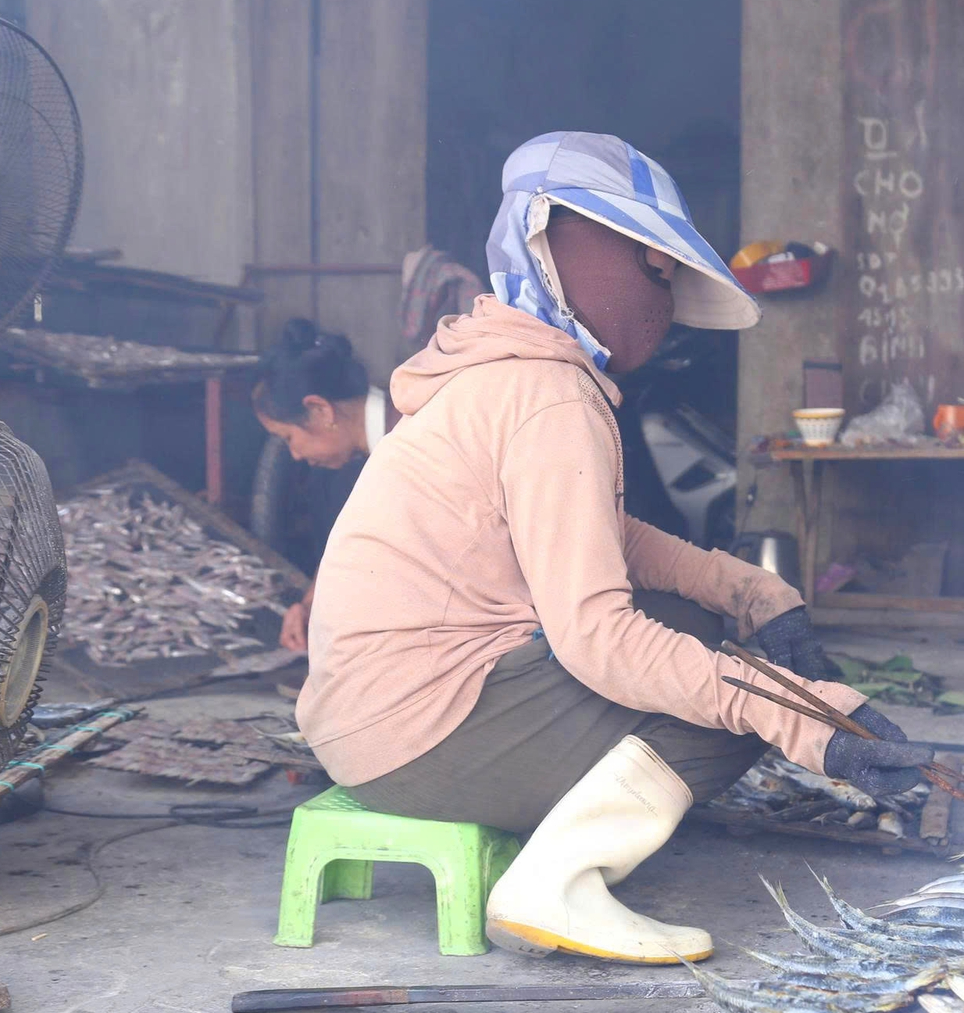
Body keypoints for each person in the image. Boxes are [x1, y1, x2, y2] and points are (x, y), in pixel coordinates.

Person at [296, 131, 923, 964]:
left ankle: (568, 852)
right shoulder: (547, 393)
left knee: (695, 639)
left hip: (372, 716)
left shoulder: (504, 370)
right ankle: (554, 886)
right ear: (554, 244)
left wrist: (753, 594)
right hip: (413, 731)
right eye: (647, 268)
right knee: (726, 708)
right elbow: (598, 641)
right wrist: (807, 718)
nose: (658, 301)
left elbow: (598, 536)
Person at [252, 319, 398, 651]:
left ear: (319, 411)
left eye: (289, 438)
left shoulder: (410, 442)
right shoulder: (364, 455)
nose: (295, 455)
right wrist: (311, 604)